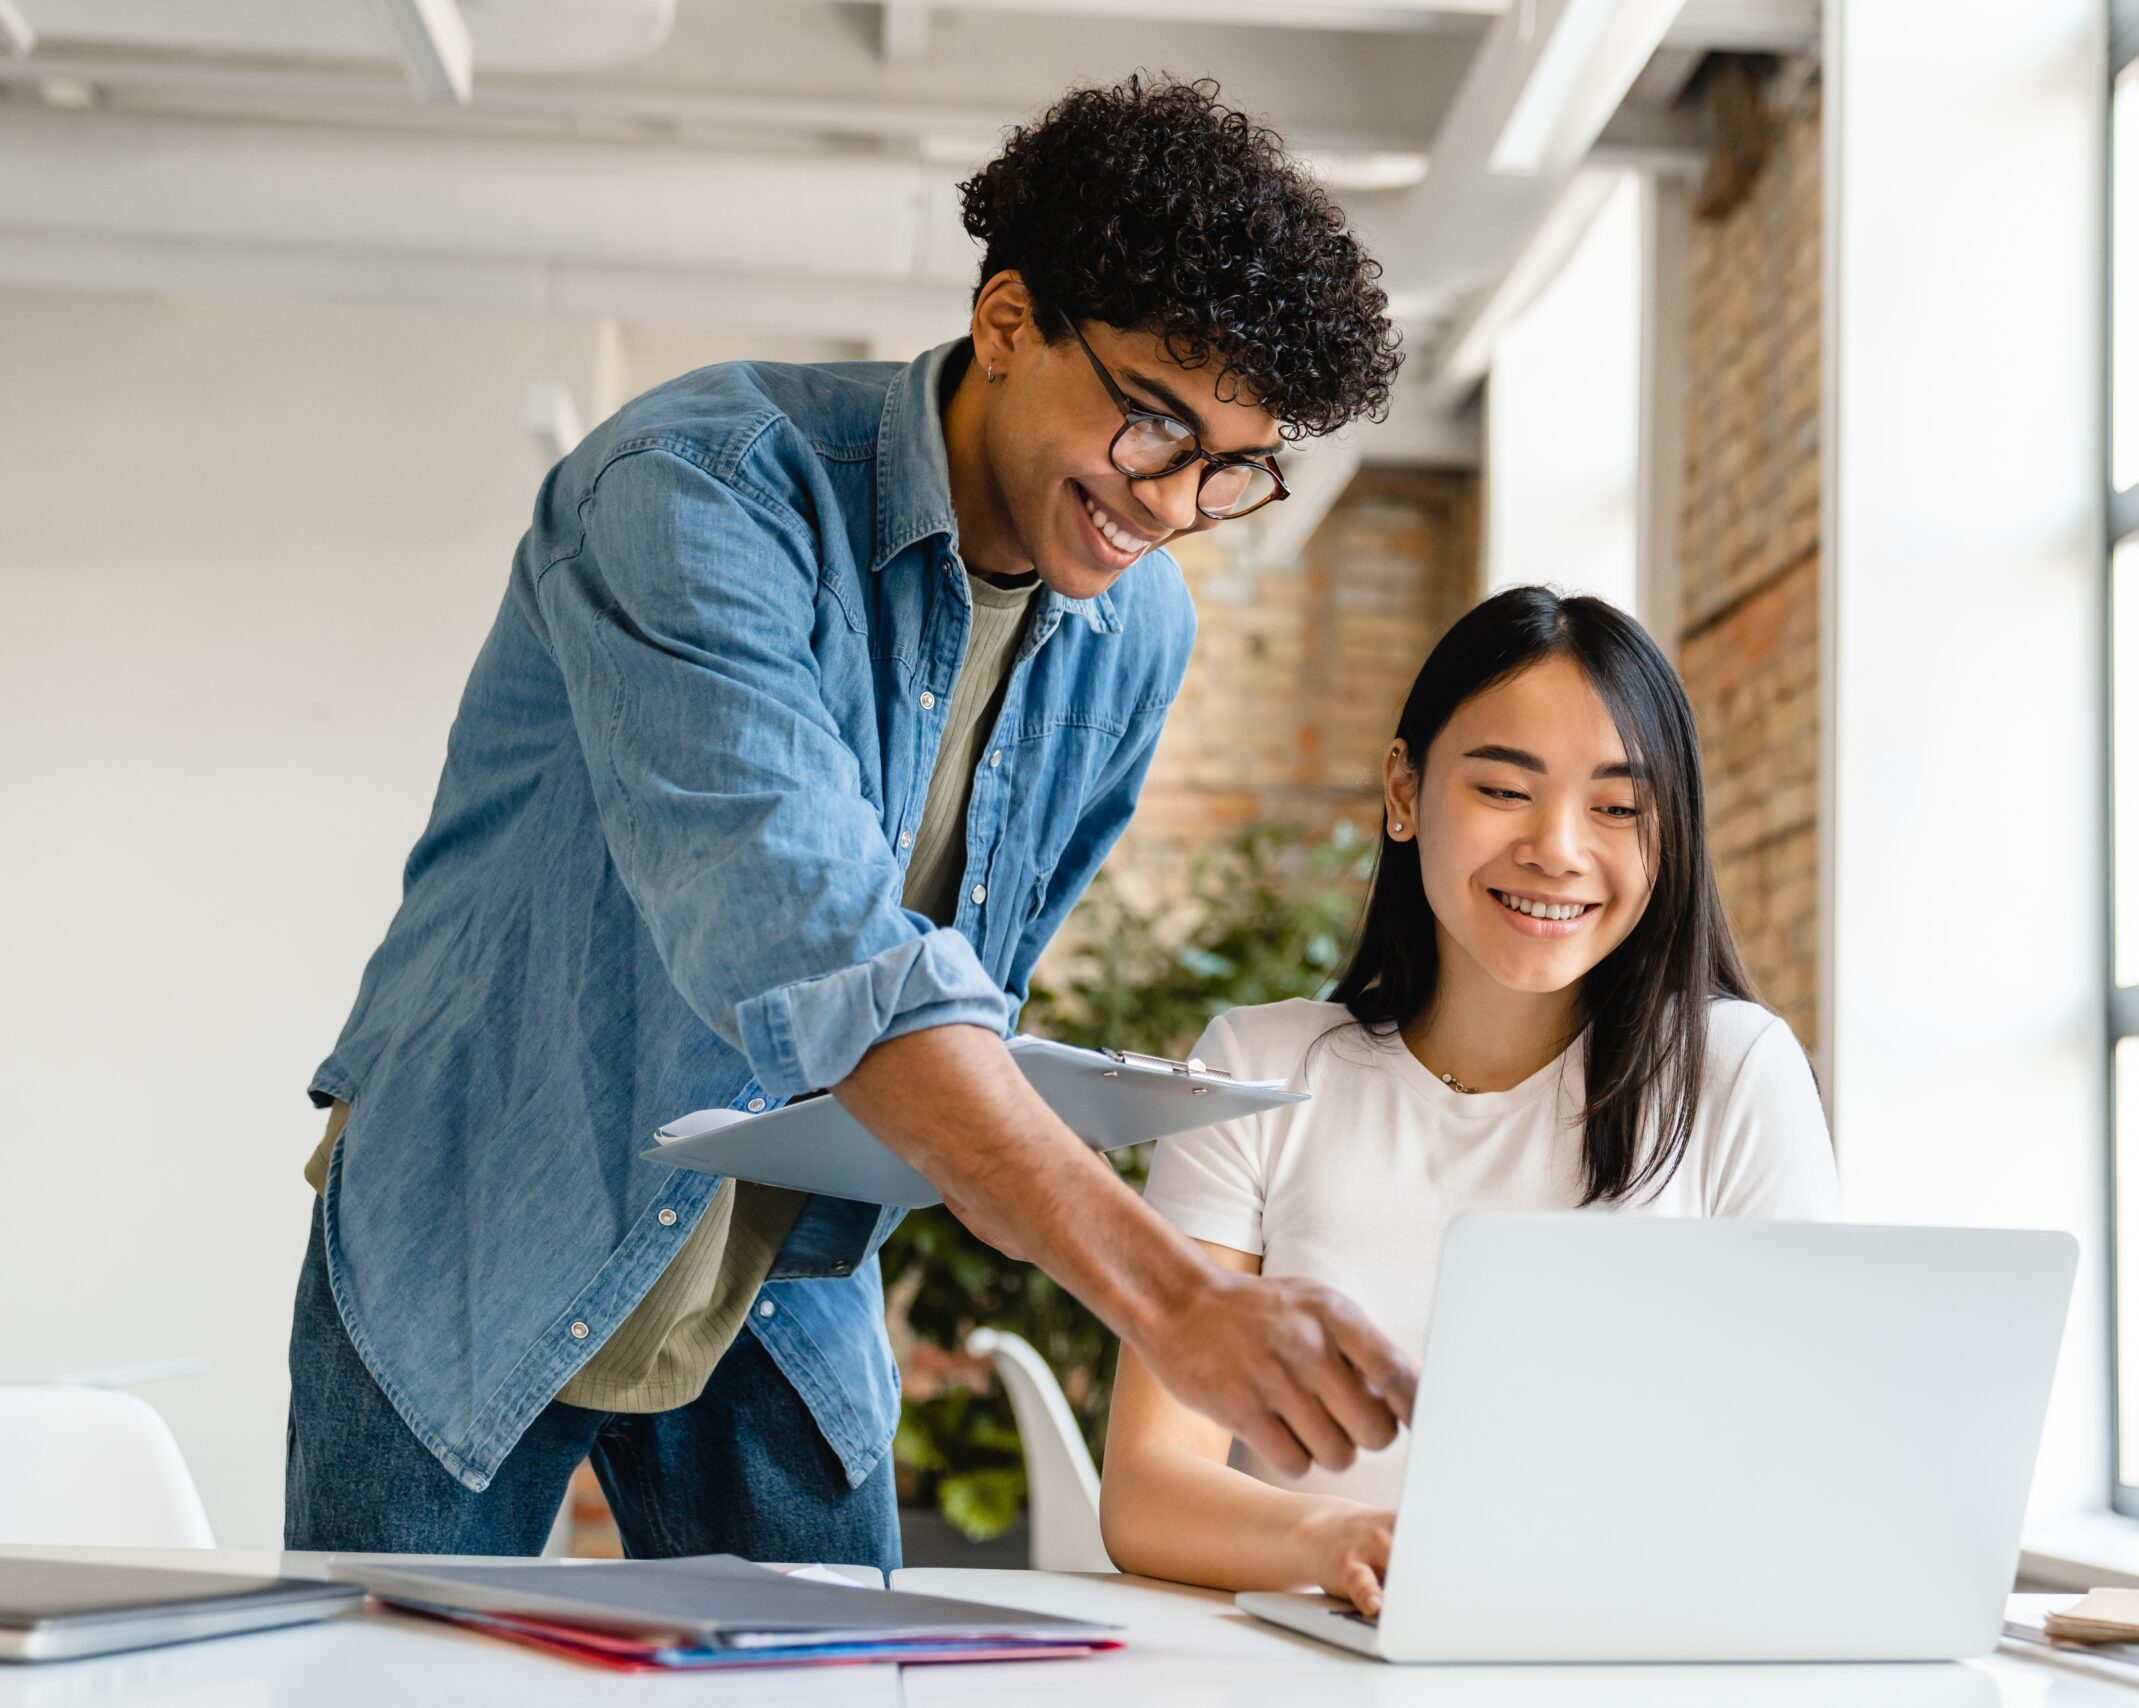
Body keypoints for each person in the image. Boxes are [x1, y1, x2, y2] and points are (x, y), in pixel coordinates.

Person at [286, 76, 1416, 1563]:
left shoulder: (1132, 633)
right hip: (491, 1208)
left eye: (1236, 466)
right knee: (389, 1687)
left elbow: (971, 976)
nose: (1175, 505)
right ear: (1008, 322)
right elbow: (817, 945)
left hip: (775, 1265)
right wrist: (1177, 1298)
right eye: (1154, 425)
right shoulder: (699, 493)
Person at [1097, 587, 1841, 1613]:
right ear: (1402, 792)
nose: (1559, 848)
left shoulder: (1733, 1070)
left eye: (1618, 807)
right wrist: (1344, 1542)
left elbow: (1803, 1467)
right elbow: (1147, 1491)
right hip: (1308, 1664)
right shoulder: (1257, 1069)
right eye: (1503, 789)